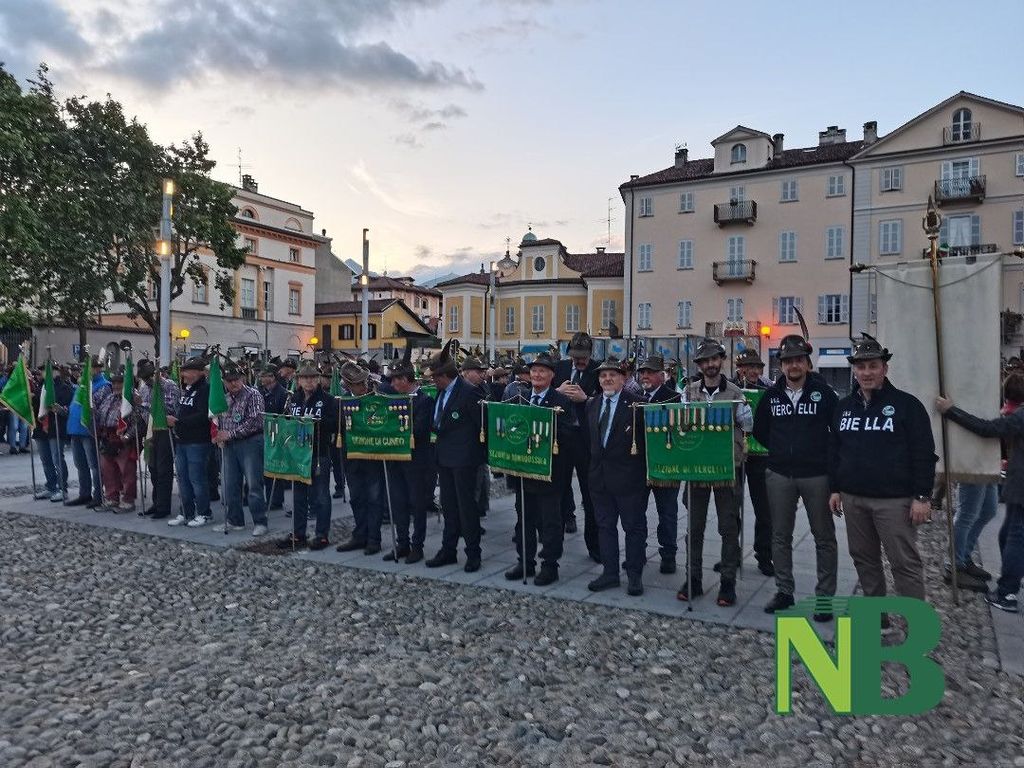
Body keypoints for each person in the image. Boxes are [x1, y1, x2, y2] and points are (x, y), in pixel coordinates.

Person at [829, 334, 936, 610]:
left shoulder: (907, 405)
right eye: (861, 366)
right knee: (864, 560)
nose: (866, 373)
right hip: (854, 499)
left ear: (884, 368)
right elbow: (836, 450)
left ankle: (916, 621)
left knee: (904, 562)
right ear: (854, 370)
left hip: (894, 501)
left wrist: (922, 496)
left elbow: (924, 454)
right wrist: (835, 488)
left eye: (873, 366)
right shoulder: (843, 407)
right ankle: (877, 614)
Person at [753, 333, 839, 620]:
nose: (793, 365)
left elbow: (837, 433)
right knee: (780, 535)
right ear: (781, 364)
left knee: (823, 537)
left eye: (799, 360)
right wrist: (781, 451)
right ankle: (784, 590)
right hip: (780, 475)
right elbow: (760, 431)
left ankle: (824, 597)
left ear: (807, 363)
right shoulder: (771, 396)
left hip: (817, 475)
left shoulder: (824, 394)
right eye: (788, 360)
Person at [937, 373, 1024, 612]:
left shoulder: (1018, 414)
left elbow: (988, 428)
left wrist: (952, 411)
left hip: (1003, 474)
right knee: (1000, 528)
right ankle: (959, 562)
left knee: (1005, 527)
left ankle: (1005, 589)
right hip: (981, 463)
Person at [677, 338, 753, 607]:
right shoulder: (689, 392)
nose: (710, 364)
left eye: (714, 359)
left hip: (726, 466)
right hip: (697, 466)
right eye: (705, 361)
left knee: (728, 527)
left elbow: (748, 425)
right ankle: (693, 578)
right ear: (699, 365)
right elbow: (681, 425)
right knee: (694, 526)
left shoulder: (735, 392)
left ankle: (728, 582)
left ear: (721, 360)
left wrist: (735, 418)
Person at [505, 352, 572, 586]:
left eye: (542, 370)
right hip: (524, 473)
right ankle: (525, 561)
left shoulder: (561, 401)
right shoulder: (520, 398)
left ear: (552, 375)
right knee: (524, 520)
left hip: (549, 474)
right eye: (533, 370)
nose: (536, 374)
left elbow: (568, 435)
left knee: (550, 523)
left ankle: (550, 565)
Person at [586, 356, 647, 596]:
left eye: (613, 375)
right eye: (603, 375)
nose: (607, 379)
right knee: (605, 526)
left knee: (633, 527)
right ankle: (610, 572)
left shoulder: (637, 404)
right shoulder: (592, 404)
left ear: (623, 378)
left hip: (628, 478)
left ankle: (634, 574)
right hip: (599, 478)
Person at [425, 340, 486, 572]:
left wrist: (477, 455)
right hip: (444, 457)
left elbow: (480, 425)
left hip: (464, 460)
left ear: (444, 376)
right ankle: (448, 549)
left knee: (466, 508)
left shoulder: (469, 392)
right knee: (449, 507)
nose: (432, 380)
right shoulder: (441, 392)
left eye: (435, 377)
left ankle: (473, 552)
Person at [379, 351, 435, 564]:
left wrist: (394, 431)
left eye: (396, 379)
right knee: (398, 502)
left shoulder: (424, 401)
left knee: (417, 504)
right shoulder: (392, 400)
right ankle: (402, 543)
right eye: (391, 380)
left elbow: (419, 430)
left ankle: (417, 545)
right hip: (396, 459)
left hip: (416, 461)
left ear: (406, 379)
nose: (393, 384)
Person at [277, 362, 338, 550]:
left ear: (318, 379)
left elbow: (335, 424)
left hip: (319, 453)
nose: (309, 381)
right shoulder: (293, 399)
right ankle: (298, 534)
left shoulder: (328, 400)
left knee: (321, 496)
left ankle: (322, 535)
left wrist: (317, 422)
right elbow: (286, 420)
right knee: (298, 496)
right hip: (298, 454)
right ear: (298, 380)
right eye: (305, 377)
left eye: (312, 377)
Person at [554, 331, 601, 545]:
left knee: (590, 492)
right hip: (562, 439)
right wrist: (558, 391)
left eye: (583, 357)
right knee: (559, 487)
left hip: (586, 440)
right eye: (575, 357)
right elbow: (545, 396)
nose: (579, 361)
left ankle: (594, 543)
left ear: (591, 354)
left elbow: (607, 402)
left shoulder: (600, 370)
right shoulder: (560, 368)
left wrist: (587, 399)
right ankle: (563, 524)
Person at [334, 362, 386, 555]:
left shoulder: (376, 398)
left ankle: (374, 538)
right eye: (357, 383)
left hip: (372, 456)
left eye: (363, 381)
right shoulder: (342, 402)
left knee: (374, 498)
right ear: (348, 385)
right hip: (352, 457)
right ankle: (360, 535)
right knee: (356, 498)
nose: (363, 385)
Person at [637, 354, 681, 575]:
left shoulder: (674, 398)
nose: (645, 376)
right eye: (643, 372)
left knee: (667, 513)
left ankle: (668, 554)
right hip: (640, 465)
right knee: (637, 512)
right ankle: (638, 552)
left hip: (666, 465)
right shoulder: (636, 397)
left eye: (650, 372)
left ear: (661, 376)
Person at [214, 364, 268, 536]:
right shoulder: (225, 398)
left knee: (254, 485)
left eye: (236, 379)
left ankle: (260, 522)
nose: (233, 383)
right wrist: (218, 434)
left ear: (242, 379)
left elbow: (255, 421)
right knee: (230, 485)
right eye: (229, 381)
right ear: (224, 382)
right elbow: (221, 419)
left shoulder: (253, 395)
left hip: (250, 442)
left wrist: (230, 434)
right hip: (230, 445)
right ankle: (235, 520)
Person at [734, 348, 774, 576]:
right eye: (749, 367)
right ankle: (731, 554)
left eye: (757, 367)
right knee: (732, 508)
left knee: (764, 509)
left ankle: (764, 555)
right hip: (736, 454)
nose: (754, 371)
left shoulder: (768, 390)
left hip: (760, 455)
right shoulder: (730, 389)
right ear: (740, 369)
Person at [168, 356, 213, 527]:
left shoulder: (205, 389)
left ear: (197, 373)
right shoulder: (188, 389)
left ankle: (204, 513)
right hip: (182, 441)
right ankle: (186, 511)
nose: (183, 374)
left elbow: (203, 415)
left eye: (186, 371)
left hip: (198, 441)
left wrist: (178, 422)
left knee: (197, 479)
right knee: (183, 479)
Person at [137, 359, 179, 519]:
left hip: (164, 430)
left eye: (149, 376)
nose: (148, 380)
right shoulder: (143, 389)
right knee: (152, 468)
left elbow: (170, 409)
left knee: (163, 469)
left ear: (157, 373)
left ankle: (163, 506)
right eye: (145, 378)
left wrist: (143, 405)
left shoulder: (169, 386)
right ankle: (156, 503)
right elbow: (141, 411)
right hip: (150, 430)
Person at [66, 356, 108, 509]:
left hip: (89, 431)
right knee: (80, 464)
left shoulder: (104, 385)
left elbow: (102, 409)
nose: (84, 370)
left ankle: (98, 495)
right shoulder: (82, 385)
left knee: (94, 465)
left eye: (88, 368)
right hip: (75, 429)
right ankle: (84, 493)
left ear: (97, 369)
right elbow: (75, 405)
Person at [258, 363, 289, 511]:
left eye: (265, 376)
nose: (262, 379)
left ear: (272, 377)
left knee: (275, 468)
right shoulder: (260, 392)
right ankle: (267, 497)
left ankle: (275, 500)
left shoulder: (282, 394)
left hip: (276, 433)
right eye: (261, 376)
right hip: (261, 433)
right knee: (264, 469)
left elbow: (285, 415)